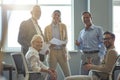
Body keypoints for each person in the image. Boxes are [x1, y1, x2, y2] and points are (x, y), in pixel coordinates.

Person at [44, 10, 71, 77]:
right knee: (51, 74)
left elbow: (66, 39)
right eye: (55, 14)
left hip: (62, 51)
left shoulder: (63, 26)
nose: (56, 16)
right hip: (52, 52)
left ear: (60, 17)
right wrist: (50, 44)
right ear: (52, 15)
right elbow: (45, 41)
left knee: (67, 74)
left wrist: (65, 43)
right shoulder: (47, 28)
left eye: (58, 15)